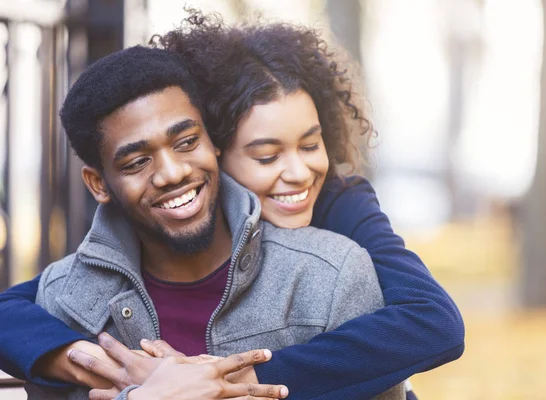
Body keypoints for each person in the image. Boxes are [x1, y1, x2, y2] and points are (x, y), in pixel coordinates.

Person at [0, 13, 465, 400]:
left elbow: (432, 321)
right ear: (221, 150)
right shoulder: (85, 281)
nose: (298, 173)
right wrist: (92, 365)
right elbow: (30, 300)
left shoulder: (339, 213)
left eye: (310, 145)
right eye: (265, 156)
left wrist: (234, 382)